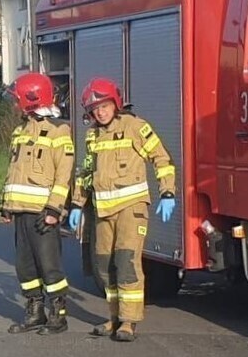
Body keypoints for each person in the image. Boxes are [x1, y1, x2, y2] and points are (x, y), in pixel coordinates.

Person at [68, 77, 176, 343]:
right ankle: (113, 316)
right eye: (94, 109)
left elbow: (161, 158)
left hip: (131, 207)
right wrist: (77, 204)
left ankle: (129, 321)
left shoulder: (135, 127)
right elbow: (87, 172)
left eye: (104, 106)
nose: (100, 112)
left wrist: (168, 192)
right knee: (104, 266)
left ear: (115, 103)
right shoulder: (92, 135)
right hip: (103, 210)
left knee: (126, 263)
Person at [0, 72, 75, 335]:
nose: (14, 104)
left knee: (49, 265)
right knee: (26, 267)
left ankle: (58, 315)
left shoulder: (59, 131)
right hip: (21, 212)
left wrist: (55, 209)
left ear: (30, 99)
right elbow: (14, 170)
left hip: (44, 214)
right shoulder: (19, 132)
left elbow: (63, 174)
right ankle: (35, 312)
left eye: (17, 99)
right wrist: (7, 204)